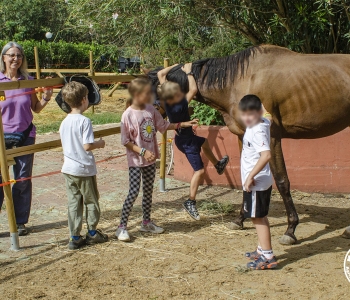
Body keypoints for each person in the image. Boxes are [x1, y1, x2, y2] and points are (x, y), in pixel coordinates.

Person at [116, 77, 198, 242]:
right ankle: (122, 227)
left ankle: (146, 222)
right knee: (133, 192)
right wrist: (143, 152)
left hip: (150, 160)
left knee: (148, 192)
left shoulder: (151, 110)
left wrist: (182, 124)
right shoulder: (128, 115)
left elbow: (163, 126)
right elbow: (126, 141)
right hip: (136, 162)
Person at [157, 63, 229, 221]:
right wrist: (188, 72)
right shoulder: (179, 105)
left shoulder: (167, 100)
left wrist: (175, 65)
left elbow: (161, 74)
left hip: (183, 138)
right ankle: (190, 201)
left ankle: (217, 165)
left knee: (204, 142)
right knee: (200, 172)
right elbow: (194, 90)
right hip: (187, 141)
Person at [0, 42, 53, 236]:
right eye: (12, 55)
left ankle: (20, 222)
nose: (16, 58)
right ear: (4, 57)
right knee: (0, 179)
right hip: (1, 137)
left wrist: (46, 97)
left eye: (19, 55)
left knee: (22, 179)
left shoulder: (28, 80)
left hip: (25, 135)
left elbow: (36, 109)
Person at [59, 81, 108, 250]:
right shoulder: (84, 121)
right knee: (91, 201)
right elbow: (87, 145)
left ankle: (75, 236)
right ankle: (93, 232)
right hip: (84, 169)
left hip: (68, 169)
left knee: (74, 203)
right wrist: (99, 143)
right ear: (84, 99)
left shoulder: (64, 122)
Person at [238, 94, 277, 270]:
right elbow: (270, 117)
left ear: (257, 112)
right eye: (243, 114)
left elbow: (266, 155)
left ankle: (268, 256)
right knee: (260, 215)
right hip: (260, 181)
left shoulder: (257, 130)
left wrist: (250, 176)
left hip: (256, 182)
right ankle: (261, 249)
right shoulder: (262, 122)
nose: (246, 118)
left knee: (257, 217)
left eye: (251, 114)